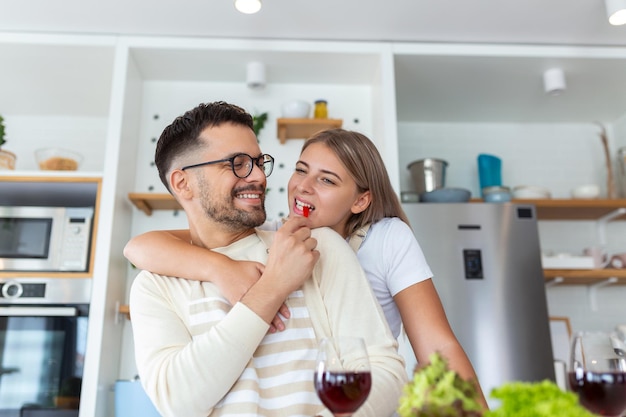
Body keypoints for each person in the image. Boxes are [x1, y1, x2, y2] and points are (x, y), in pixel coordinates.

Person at [127, 128, 488, 408]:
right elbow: (140, 246)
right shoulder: (277, 236)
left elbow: (439, 347)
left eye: (327, 180)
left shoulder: (386, 238)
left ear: (361, 199)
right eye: (301, 170)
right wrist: (221, 268)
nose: (303, 188)